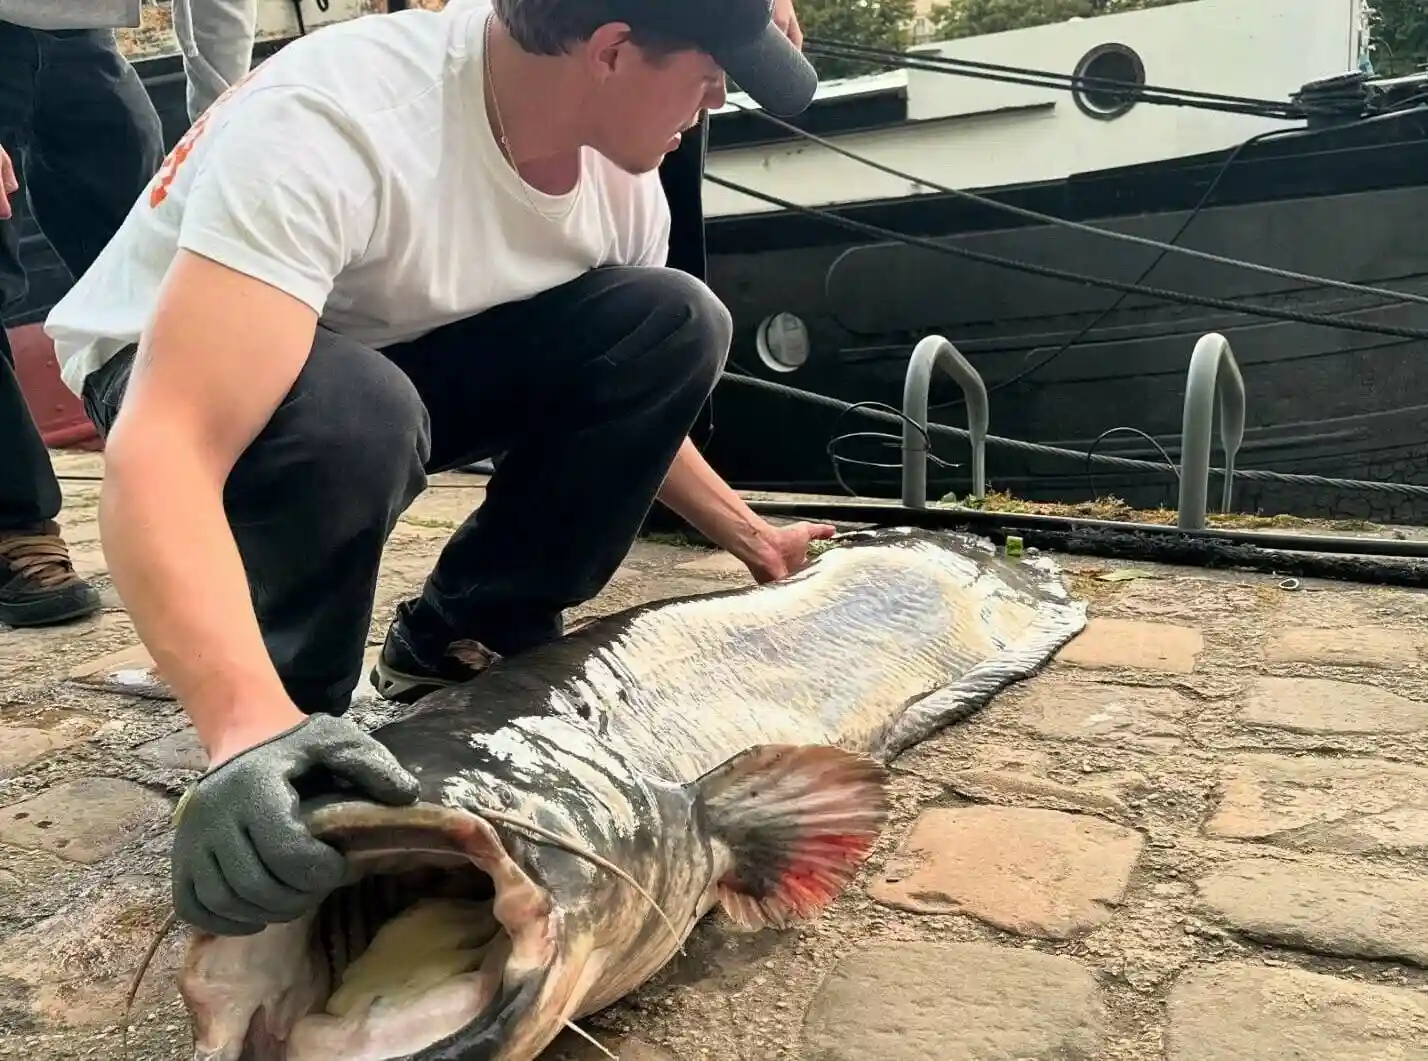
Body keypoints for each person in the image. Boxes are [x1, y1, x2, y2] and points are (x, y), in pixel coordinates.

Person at [43, 0, 830, 936]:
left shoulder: (624, 183)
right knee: (358, 414)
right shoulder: (339, 117)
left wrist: (750, 537)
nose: (712, 105)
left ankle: (462, 635)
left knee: (673, 318)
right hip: (170, 358)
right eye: (709, 77)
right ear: (614, 52)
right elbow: (167, 446)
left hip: (387, 353)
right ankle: (284, 728)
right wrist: (238, 722)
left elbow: (630, 390)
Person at [0, 0, 258, 629]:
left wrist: (225, 108)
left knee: (158, 272)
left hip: (86, 40)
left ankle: (208, 489)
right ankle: (16, 522)